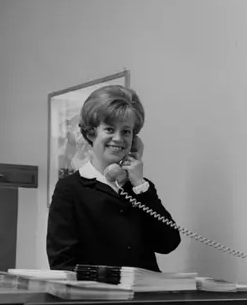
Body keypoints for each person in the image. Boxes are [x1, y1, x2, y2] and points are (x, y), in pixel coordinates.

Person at [47, 84, 180, 271]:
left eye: (126, 131)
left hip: (145, 289)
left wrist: (140, 186)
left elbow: (168, 243)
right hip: (95, 290)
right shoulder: (70, 189)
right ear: (91, 133)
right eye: (109, 129)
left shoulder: (140, 188)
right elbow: (61, 263)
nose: (118, 138)